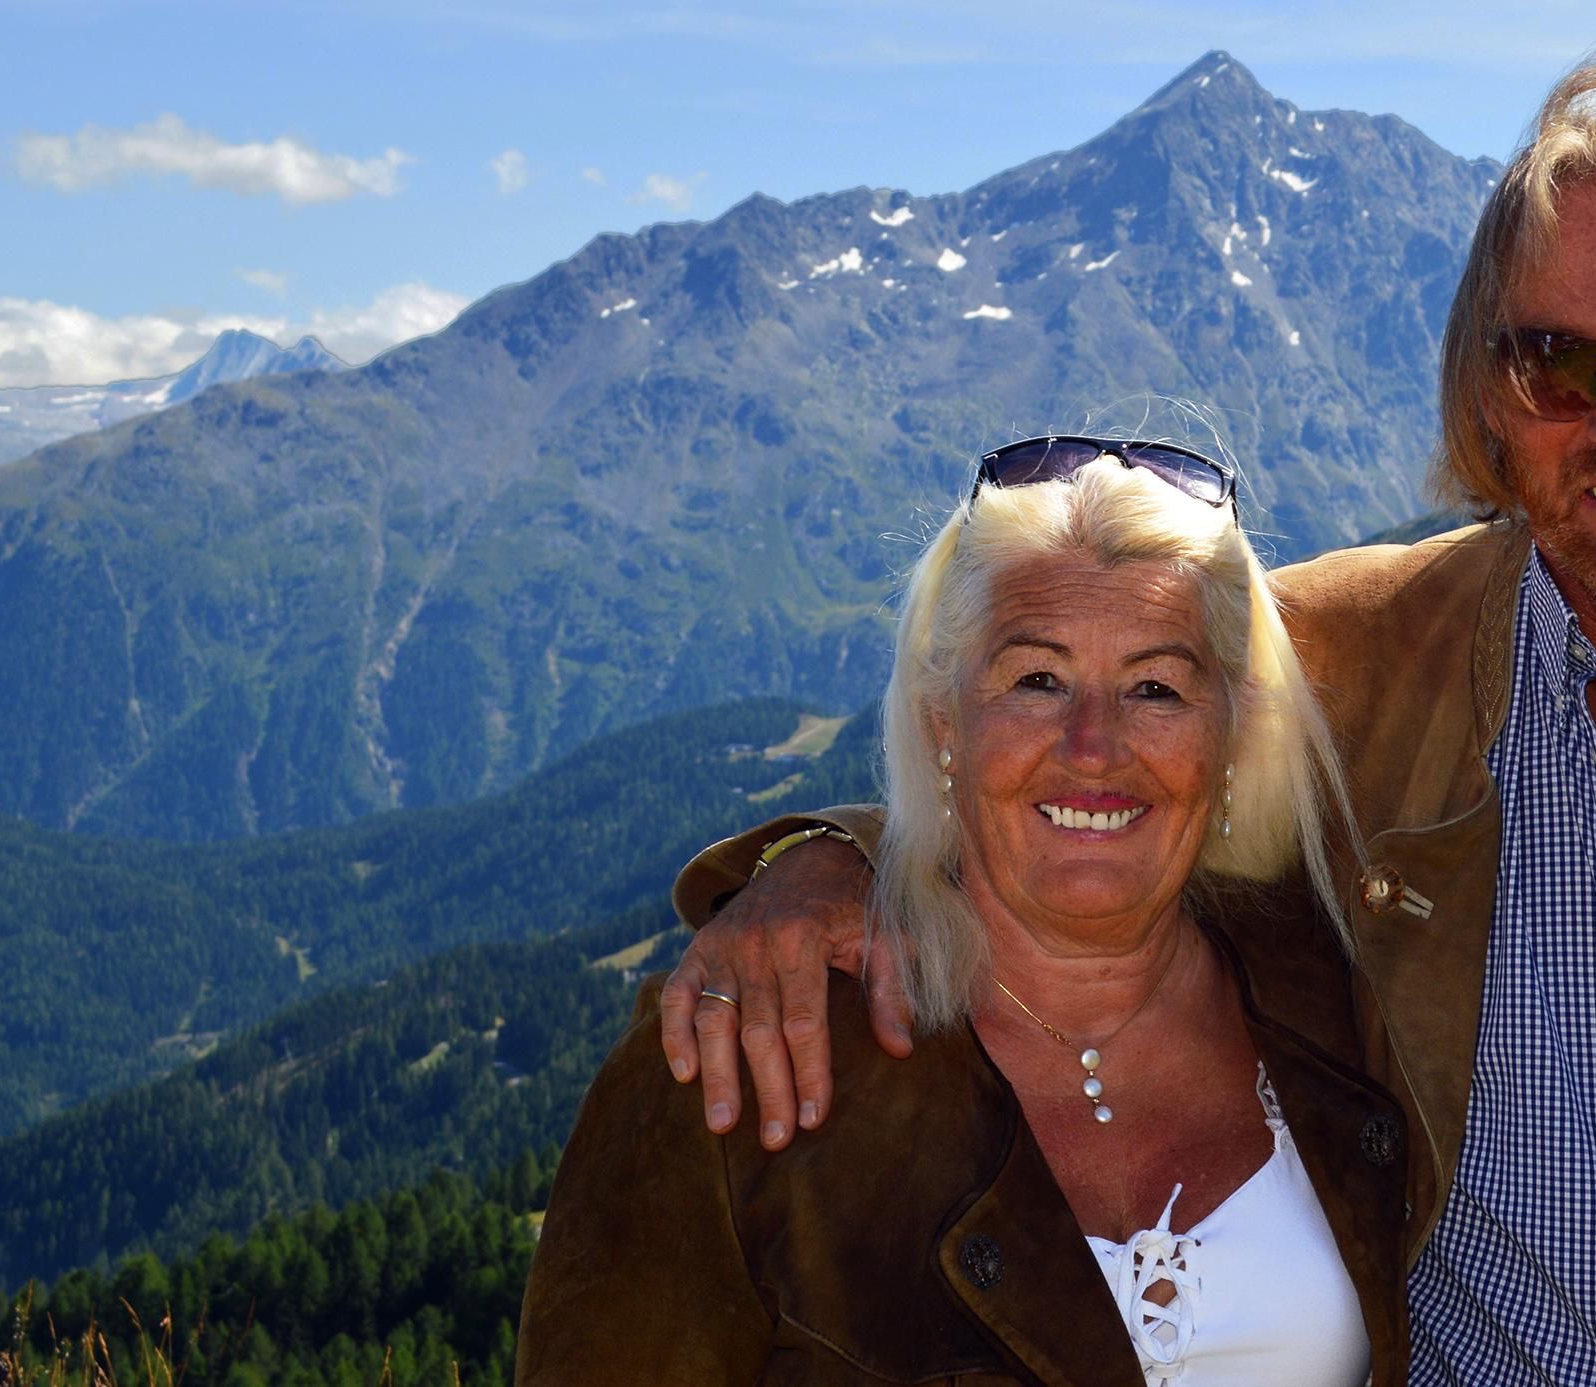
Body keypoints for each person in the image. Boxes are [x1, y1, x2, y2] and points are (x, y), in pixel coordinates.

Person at [665, 57, 1596, 1385]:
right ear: (1490, 401)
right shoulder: (1350, 659)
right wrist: (821, 864)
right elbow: (1086, 743)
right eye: (1555, 363)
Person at [519, 442, 1410, 1385]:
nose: (1093, 746)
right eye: (1036, 680)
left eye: (1156, 687)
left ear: (1230, 731)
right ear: (944, 721)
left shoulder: (1351, 990)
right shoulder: (742, 1054)